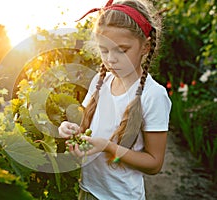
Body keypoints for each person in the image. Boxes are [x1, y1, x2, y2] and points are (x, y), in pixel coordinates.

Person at [58, 0, 172, 199]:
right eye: (104, 50)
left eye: (122, 50)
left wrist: (108, 147)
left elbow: (154, 164)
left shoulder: (153, 95)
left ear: (145, 47)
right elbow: (86, 125)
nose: (111, 59)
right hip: (87, 190)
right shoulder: (100, 82)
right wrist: (70, 129)